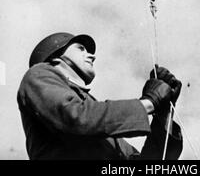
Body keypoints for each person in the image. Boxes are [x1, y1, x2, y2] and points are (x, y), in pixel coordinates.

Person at [17, 32, 183, 160]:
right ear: (54, 57)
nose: (92, 55)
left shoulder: (96, 116)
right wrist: (150, 102)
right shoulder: (38, 74)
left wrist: (164, 113)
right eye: (80, 48)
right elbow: (76, 117)